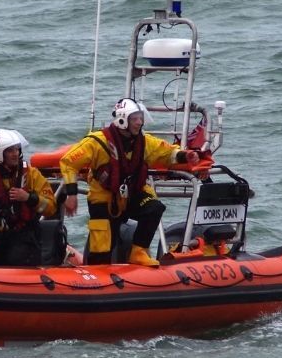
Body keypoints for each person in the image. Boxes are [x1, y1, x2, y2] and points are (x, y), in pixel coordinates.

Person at [59, 98, 199, 267]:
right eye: (135, 119)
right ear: (122, 119)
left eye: (140, 118)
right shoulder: (97, 142)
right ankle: (96, 274)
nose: (139, 122)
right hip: (104, 199)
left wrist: (185, 155)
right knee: (101, 250)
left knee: (154, 208)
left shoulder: (144, 142)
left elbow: (167, 153)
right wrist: (72, 194)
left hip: (131, 195)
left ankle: (138, 251)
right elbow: (68, 162)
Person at [0, 129, 57, 267]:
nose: (15, 154)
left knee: (17, 257)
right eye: (10, 150)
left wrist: (29, 198)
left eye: (17, 149)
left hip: (24, 235)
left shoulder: (31, 175)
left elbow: (51, 208)